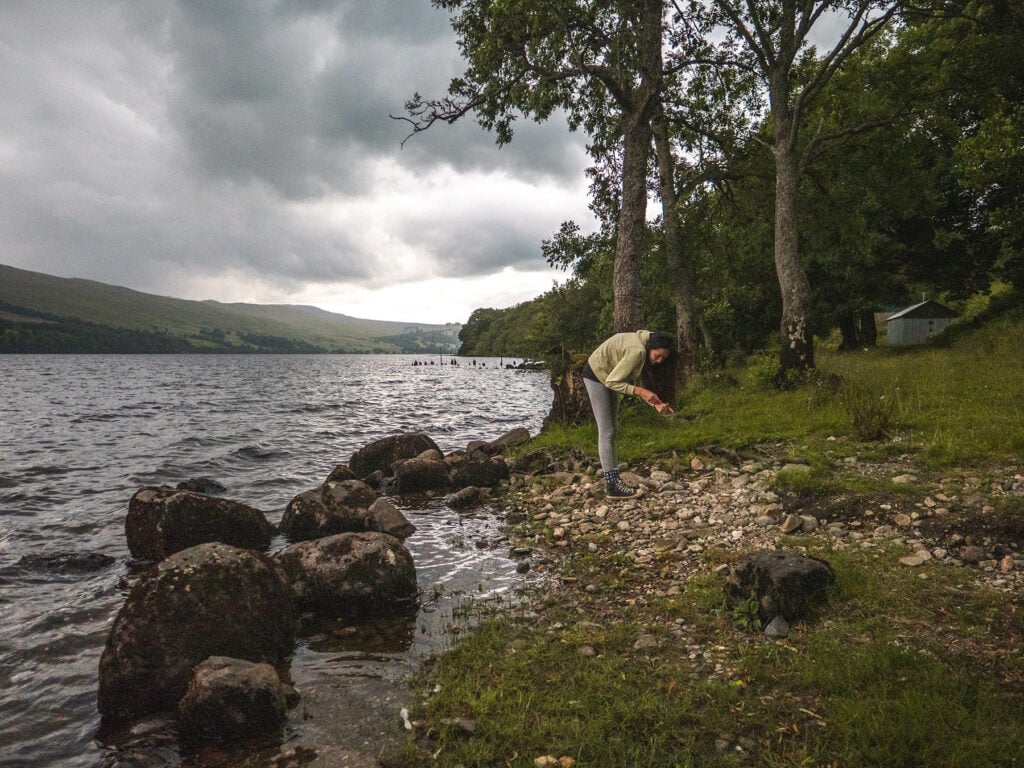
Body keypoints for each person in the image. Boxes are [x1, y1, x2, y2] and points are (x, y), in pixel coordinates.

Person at [582, 330, 676, 499]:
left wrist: (657, 405)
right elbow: (613, 381)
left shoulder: (644, 344)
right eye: (657, 356)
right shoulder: (637, 351)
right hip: (596, 375)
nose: (658, 361)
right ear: (651, 348)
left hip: (608, 375)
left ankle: (616, 480)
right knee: (606, 432)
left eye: (663, 358)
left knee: (613, 430)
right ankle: (612, 486)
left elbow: (639, 387)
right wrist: (640, 391)